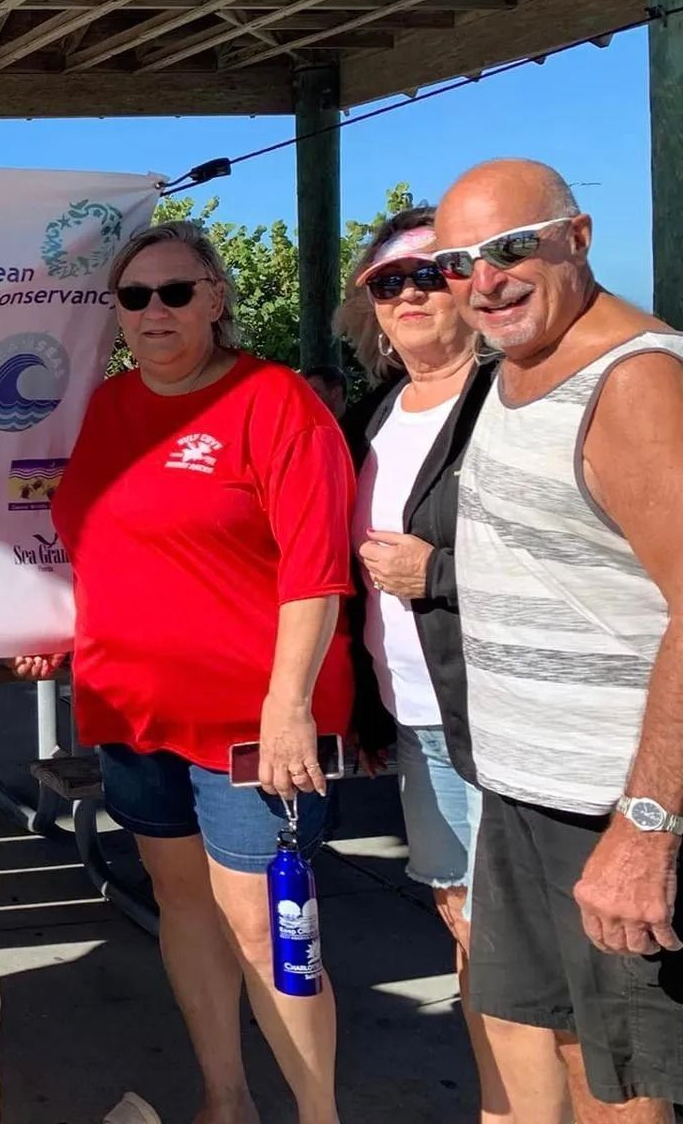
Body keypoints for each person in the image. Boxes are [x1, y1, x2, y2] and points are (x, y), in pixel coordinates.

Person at [15, 220, 355, 1124]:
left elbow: (316, 569)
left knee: (267, 929)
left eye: (175, 291)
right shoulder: (113, 405)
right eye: (134, 297)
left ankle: (318, 1115)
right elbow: (101, 545)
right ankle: (224, 1099)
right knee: (182, 902)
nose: (154, 311)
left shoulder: (276, 401)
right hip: (131, 711)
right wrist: (60, 632)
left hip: (251, 725)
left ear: (215, 297)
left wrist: (289, 709)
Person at [434, 159, 683, 1121]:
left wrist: (647, 826)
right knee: (582, 1052)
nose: (482, 280)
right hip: (532, 795)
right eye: (459, 262)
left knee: (633, 1084)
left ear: (576, 239)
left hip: (612, 806)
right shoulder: (521, 369)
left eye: (509, 250)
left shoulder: (636, 381)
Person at [335, 208, 502, 1120]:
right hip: (416, 717)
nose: (408, 294)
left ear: (472, 281)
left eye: (428, 274)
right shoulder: (372, 415)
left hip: (501, 722)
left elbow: (595, 563)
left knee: (528, 951)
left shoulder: (513, 399)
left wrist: (436, 572)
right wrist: (367, 710)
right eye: (387, 282)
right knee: (464, 926)